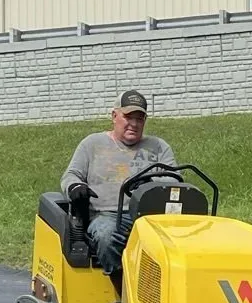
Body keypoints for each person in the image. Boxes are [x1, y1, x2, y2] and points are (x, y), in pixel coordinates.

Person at [61, 90, 178, 273]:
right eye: (128, 117)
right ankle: (123, 287)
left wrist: (151, 185)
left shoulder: (159, 147)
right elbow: (71, 175)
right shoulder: (92, 144)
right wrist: (76, 187)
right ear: (114, 116)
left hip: (151, 217)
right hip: (106, 215)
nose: (134, 124)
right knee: (106, 235)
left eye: (140, 119)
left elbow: (174, 180)